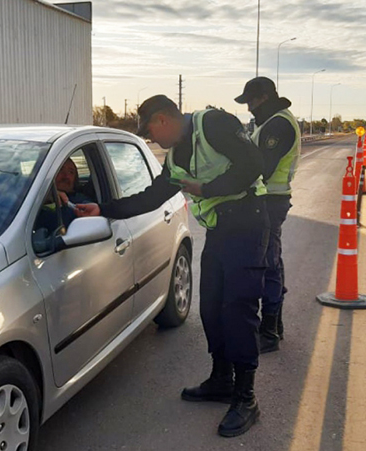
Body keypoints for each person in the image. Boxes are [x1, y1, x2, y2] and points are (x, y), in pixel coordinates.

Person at [75, 95, 269, 437]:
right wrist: (103, 209)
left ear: (164, 119)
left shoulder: (214, 125)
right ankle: (222, 379)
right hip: (221, 231)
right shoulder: (177, 154)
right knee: (211, 307)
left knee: (238, 310)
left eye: (150, 130)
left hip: (249, 223)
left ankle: (246, 397)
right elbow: (154, 195)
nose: (151, 139)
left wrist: (207, 188)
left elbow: (254, 163)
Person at [234, 77, 301, 353]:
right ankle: (276, 325)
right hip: (268, 200)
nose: (248, 107)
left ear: (264, 97)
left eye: (250, 101)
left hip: (270, 202)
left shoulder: (278, 124)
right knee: (271, 260)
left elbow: (262, 167)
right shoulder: (268, 121)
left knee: (269, 264)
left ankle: (270, 331)